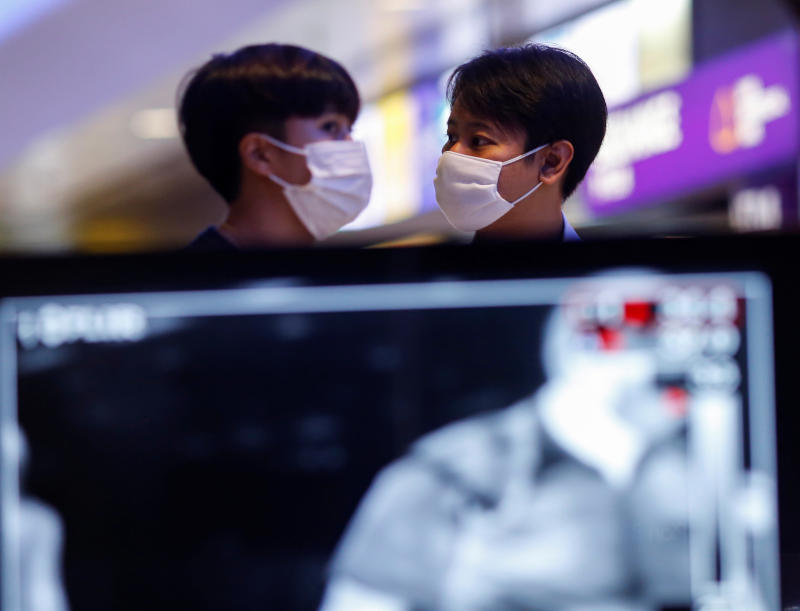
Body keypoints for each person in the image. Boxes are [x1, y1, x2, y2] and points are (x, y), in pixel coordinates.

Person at [178, 44, 372, 250]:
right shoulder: (188, 279)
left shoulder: (328, 276)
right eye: (330, 127)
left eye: (349, 129)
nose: (349, 144)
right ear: (259, 154)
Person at [433, 44, 607, 242]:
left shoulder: (612, 273)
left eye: (478, 141)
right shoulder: (423, 272)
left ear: (552, 161)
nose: (452, 153)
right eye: (452, 137)